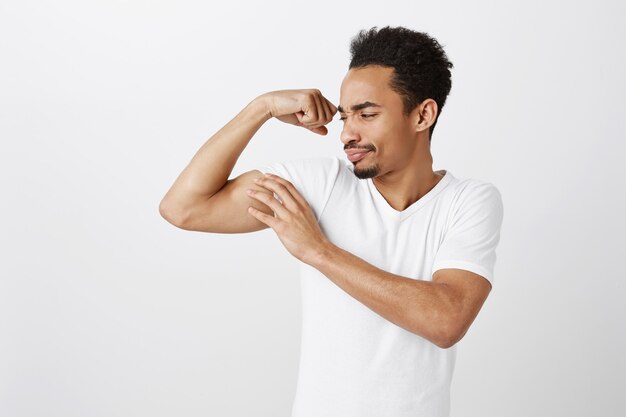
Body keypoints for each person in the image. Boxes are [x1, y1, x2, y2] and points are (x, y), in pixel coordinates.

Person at [159, 25, 504, 417]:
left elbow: (446, 319)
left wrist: (318, 251)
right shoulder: (320, 185)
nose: (346, 135)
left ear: (423, 115)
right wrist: (263, 107)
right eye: (344, 118)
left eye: (367, 114)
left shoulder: (469, 201)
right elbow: (183, 208)